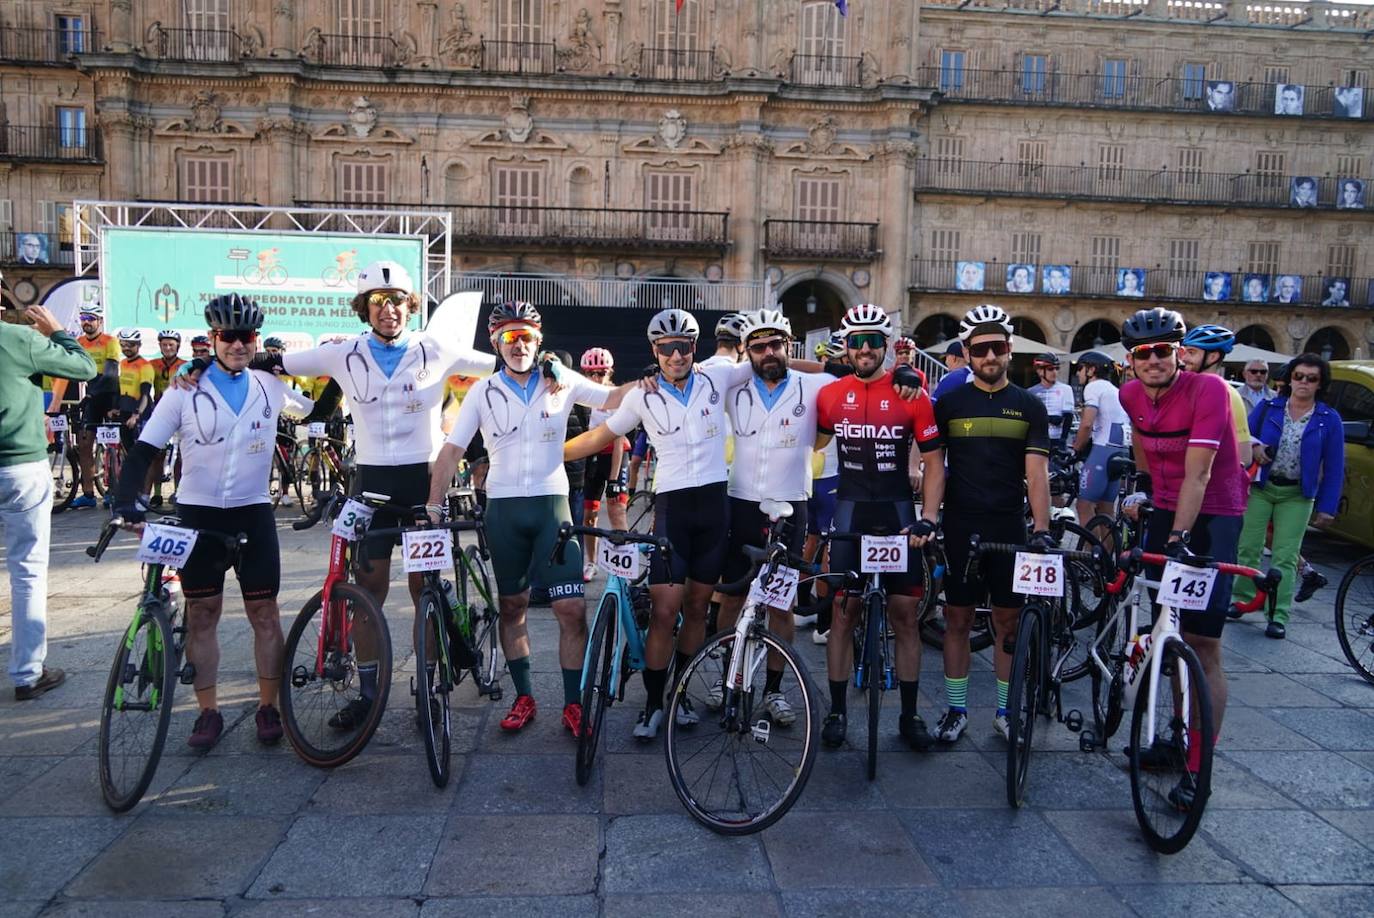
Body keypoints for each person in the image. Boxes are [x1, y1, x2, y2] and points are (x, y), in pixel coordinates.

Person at [182, 260, 495, 731]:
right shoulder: (341, 353)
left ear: (411, 305)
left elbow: (506, 363)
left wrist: (551, 364)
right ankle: (368, 694)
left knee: (422, 589)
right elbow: (264, 360)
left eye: (396, 301)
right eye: (377, 301)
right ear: (364, 309)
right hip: (370, 486)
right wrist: (201, 363)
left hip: (423, 483)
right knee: (365, 594)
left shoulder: (437, 347)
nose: (388, 310)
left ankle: (429, 687)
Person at [114, 295, 317, 748]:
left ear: (256, 340)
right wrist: (125, 501)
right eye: (229, 336)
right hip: (198, 513)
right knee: (203, 614)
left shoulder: (269, 382)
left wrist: (275, 361)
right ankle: (208, 712)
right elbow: (145, 449)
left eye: (247, 337)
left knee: (265, 613)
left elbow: (314, 410)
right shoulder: (185, 387)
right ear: (212, 339)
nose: (238, 345)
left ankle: (269, 707)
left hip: (253, 512)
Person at [427, 303, 632, 736]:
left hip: (552, 509)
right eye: (508, 338)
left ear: (538, 341)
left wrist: (653, 380)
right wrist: (432, 503)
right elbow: (452, 451)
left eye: (525, 337)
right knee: (512, 607)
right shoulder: (483, 392)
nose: (518, 345)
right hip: (503, 510)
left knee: (571, 609)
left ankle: (573, 704)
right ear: (496, 343)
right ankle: (524, 697)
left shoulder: (560, 381)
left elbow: (613, 398)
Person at [563, 308, 754, 739]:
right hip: (673, 510)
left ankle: (680, 694)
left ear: (694, 347)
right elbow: (601, 436)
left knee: (698, 610)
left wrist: (840, 368)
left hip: (714, 507)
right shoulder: (642, 395)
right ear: (655, 350)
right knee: (665, 612)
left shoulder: (716, 377)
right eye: (666, 348)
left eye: (683, 346)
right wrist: (546, 454)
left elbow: (771, 362)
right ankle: (652, 704)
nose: (676, 355)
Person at [1118, 307, 1250, 810]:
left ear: (1179, 354)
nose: (1153, 360)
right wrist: (1145, 485)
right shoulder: (1131, 394)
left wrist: (1178, 538)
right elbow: (1140, 440)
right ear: (1131, 360)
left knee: (1202, 641)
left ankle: (1200, 764)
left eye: (1163, 351)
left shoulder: (1210, 391)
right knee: (1167, 628)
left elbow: (1199, 474)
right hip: (1166, 509)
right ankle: (1175, 733)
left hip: (1214, 514)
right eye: (1143, 353)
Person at [814, 303, 944, 750]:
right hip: (850, 510)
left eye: (874, 340)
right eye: (857, 341)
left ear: (886, 346)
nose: (866, 348)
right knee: (842, 614)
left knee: (905, 616)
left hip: (896, 513)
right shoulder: (830, 394)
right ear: (846, 348)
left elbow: (932, 459)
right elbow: (810, 438)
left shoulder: (912, 394)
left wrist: (929, 515)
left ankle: (909, 716)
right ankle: (835, 711)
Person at [713, 308, 845, 724]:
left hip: (791, 504)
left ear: (789, 346)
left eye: (776, 344)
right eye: (758, 346)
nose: (768, 352)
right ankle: (724, 677)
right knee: (732, 595)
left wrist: (906, 377)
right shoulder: (733, 384)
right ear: (746, 351)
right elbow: (683, 372)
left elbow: (855, 374)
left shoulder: (815, 384)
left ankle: (773, 690)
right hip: (743, 502)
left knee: (781, 602)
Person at [929, 303, 1051, 743]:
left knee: (1008, 623)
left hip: (1008, 526)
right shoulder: (948, 402)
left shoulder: (1029, 406)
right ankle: (956, 709)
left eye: (997, 347)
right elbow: (931, 463)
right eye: (980, 350)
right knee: (957, 620)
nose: (989, 357)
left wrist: (1042, 526)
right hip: (961, 524)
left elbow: (1036, 473)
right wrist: (928, 515)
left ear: (1010, 349)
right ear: (966, 352)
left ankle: (1005, 710)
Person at [1, 304, 97, 700]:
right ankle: (26, 673)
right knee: (27, 569)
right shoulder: (16, 338)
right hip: (19, 466)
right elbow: (83, 367)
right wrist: (57, 329)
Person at [1232, 355, 1344, 639]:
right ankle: (1242, 601)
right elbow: (1243, 437)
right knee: (1248, 547)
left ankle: (1277, 614)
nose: (1304, 382)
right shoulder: (1269, 407)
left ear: (1321, 384)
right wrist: (1255, 448)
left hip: (1298, 494)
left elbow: (1334, 467)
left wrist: (1327, 507)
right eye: (1299, 376)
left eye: (1312, 378)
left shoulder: (1329, 419)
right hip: (1261, 487)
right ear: (1288, 379)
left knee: (1285, 555)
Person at [48, 304, 119, 509]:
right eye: (83, 318)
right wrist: (60, 401)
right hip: (91, 397)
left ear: (100, 321)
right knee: (84, 445)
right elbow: (68, 372)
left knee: (112, 447)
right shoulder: (78, 342)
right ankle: (88, 494)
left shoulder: (109, 341)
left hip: (109, 395)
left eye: (91, 318)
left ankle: (113, 491)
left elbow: (111, 374)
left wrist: (91, 394)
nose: (86, 322)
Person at [577, 347, 630, 581]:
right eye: (592, 373)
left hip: (615, 455)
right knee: (589, 513)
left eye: (602, 373)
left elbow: (618, 440)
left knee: (616, 509)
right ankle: (591, 562)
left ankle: (623, 565)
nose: (597, 378)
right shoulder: (582, 397)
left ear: (610, 372)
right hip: (593, 456)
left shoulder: (617, 396)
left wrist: (613, 480)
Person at [1180, 324, 1253, 470]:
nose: (1184, 358)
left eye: (1192, 352)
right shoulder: (1180, 389)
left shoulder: (1229, 394)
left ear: (1213, 357)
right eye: (1184, 352)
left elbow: (1244, 456)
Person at [1071, 352, 1130, 524]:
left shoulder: (1094, 386)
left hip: (1103, 451)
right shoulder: (1114, 389)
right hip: (1121, 452)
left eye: (1080, 368)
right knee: (1106, 510)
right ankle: (1106, 551)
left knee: (1084, 506)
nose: (1077, 373)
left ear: (1092, 370)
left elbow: (1087, 423)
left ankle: (1090, 551)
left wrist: (1076, 448)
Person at [114, 328, 154, 458]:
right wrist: (116, 408)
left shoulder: (145, 366)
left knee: (139, 453)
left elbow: (145, 394)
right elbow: (122, 388)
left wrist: (136, 415)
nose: (126, 348)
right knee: (127, 451)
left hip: (139, 413)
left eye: (130, 345)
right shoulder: (123, 363)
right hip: (125, 411)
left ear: (139, 345)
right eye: (123, 344)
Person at [1028, 353, 1075, 448]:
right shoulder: (1030, 392)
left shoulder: (1066, 389)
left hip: (1057, 440)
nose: (1055, 372)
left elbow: (1068, 417)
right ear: (1040, 371)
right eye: (1050, 369)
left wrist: (1063, 440)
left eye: (1057, 368)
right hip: (1037, 439)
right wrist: (1050, 419)